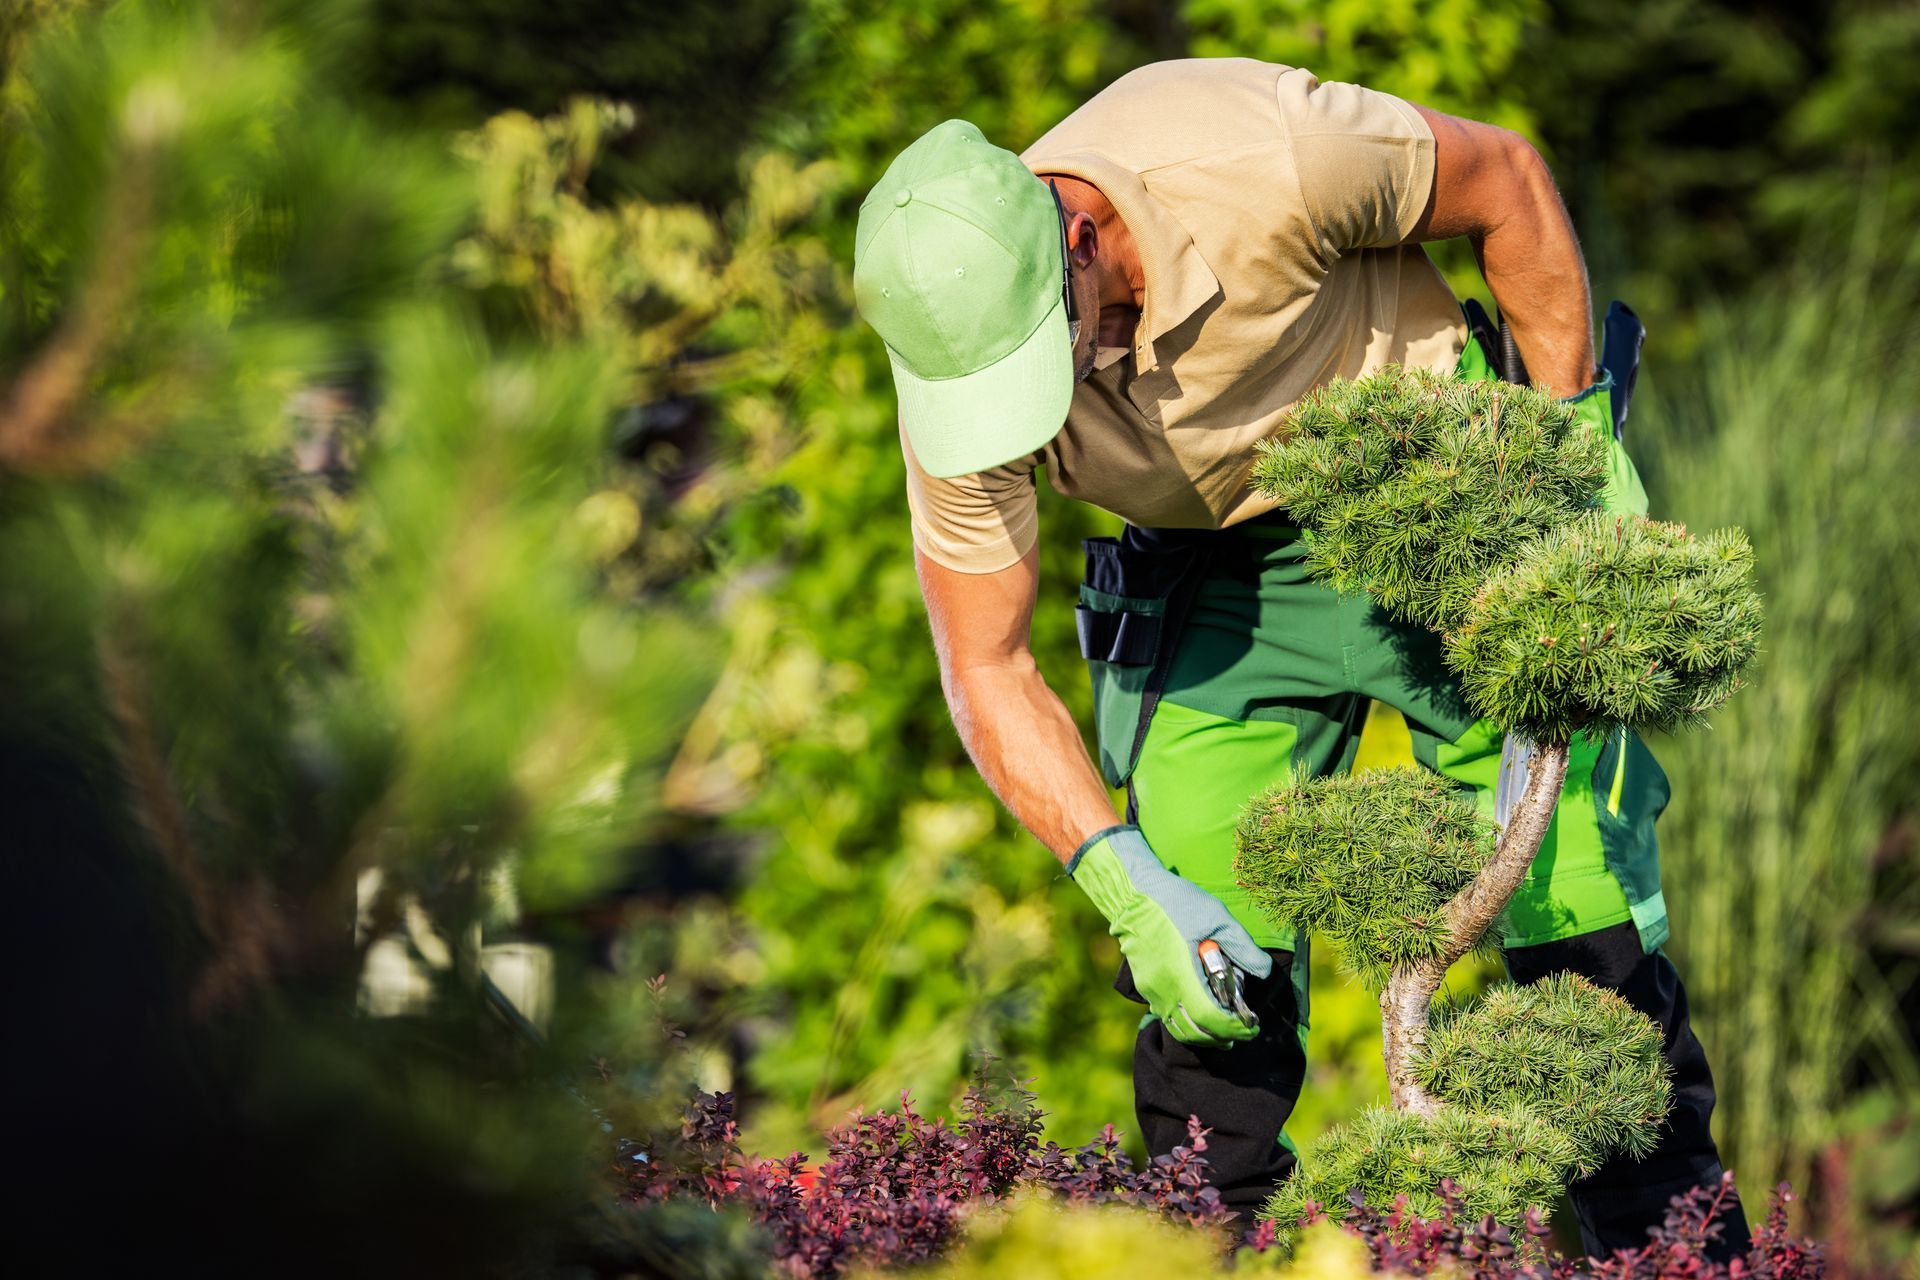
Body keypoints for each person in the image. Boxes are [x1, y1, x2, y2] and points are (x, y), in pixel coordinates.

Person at [850, 57, 1745, 1259]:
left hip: (1436, 491)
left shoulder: (1263, 153)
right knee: (1209, 989)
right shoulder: (954, 383)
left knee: (1580, 933)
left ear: (1079, 232)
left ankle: (1681, 1252)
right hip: (1210, 578)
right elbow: (989, 667)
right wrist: (1125, 885)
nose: (1043, 403)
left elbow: (1509, 183)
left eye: (1043, 353)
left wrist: (1573, 445)